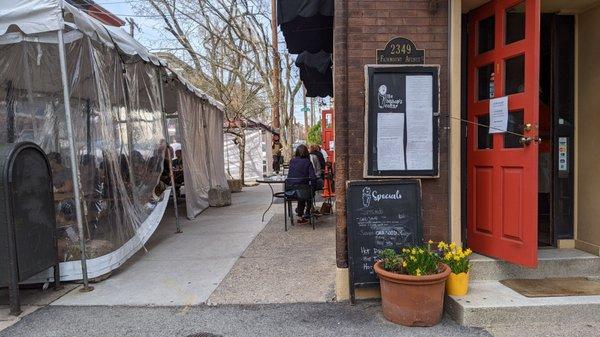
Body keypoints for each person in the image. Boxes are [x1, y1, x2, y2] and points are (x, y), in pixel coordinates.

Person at [287, 144, 317, 224]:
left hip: (290, 190)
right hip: (303, 191)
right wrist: (314, 186)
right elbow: (313, 178)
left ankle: (300, 215)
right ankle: (307, 212)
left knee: (302, 190)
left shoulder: (292, 161)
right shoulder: (307, 162)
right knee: (308, 191)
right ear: (307, 153)